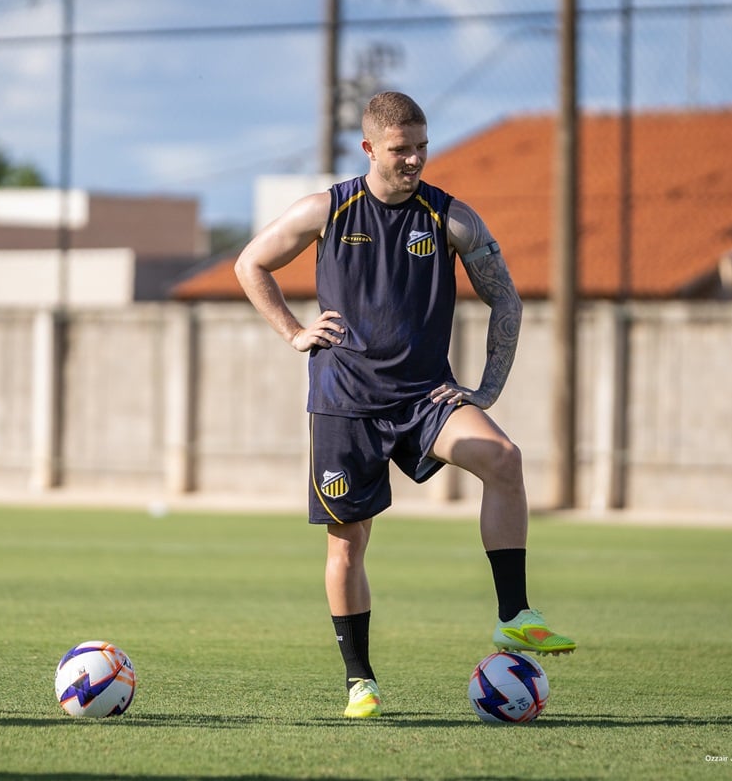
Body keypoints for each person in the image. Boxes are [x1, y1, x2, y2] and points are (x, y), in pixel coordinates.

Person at [233, 91, 574, 719]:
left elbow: (506, 298)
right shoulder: (326, 210)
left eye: (421, 146)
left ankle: (514, 615)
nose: (414, 158)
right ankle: (359, 680)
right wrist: (294, 332)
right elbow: (251, 263)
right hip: (345, 403)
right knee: (347, 544)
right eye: (400, 149)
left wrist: (487, 388)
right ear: (369, 148)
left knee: (503, 458)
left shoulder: (450, 217)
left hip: (424, 397)